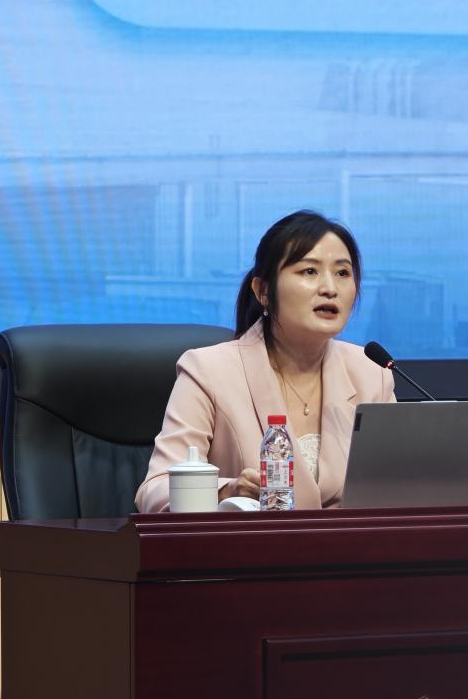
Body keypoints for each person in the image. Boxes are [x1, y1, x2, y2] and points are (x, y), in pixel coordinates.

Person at [134, 210, 394, 512]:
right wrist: (226, 491)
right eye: (309, 271)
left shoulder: (372, 374)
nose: (329, 288)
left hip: (348, 542)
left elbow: (397, 487)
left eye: (342, 273)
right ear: (264, 291)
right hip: (248, 542)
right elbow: (155, 490)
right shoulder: (208, 371)